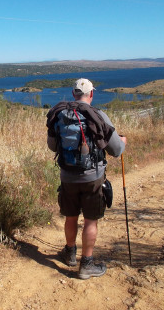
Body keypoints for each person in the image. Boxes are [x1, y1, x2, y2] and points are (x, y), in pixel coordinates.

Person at [46, 78, 126, 280]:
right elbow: (116, 150)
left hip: (67, 177)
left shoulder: (60, 115)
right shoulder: (98, 115)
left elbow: (53, 147)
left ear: (73, 94)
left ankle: (70, 253)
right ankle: (86, 264)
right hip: (93, 177)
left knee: (71, 216)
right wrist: (123, 141)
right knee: (90, 220)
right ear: (91, 94)